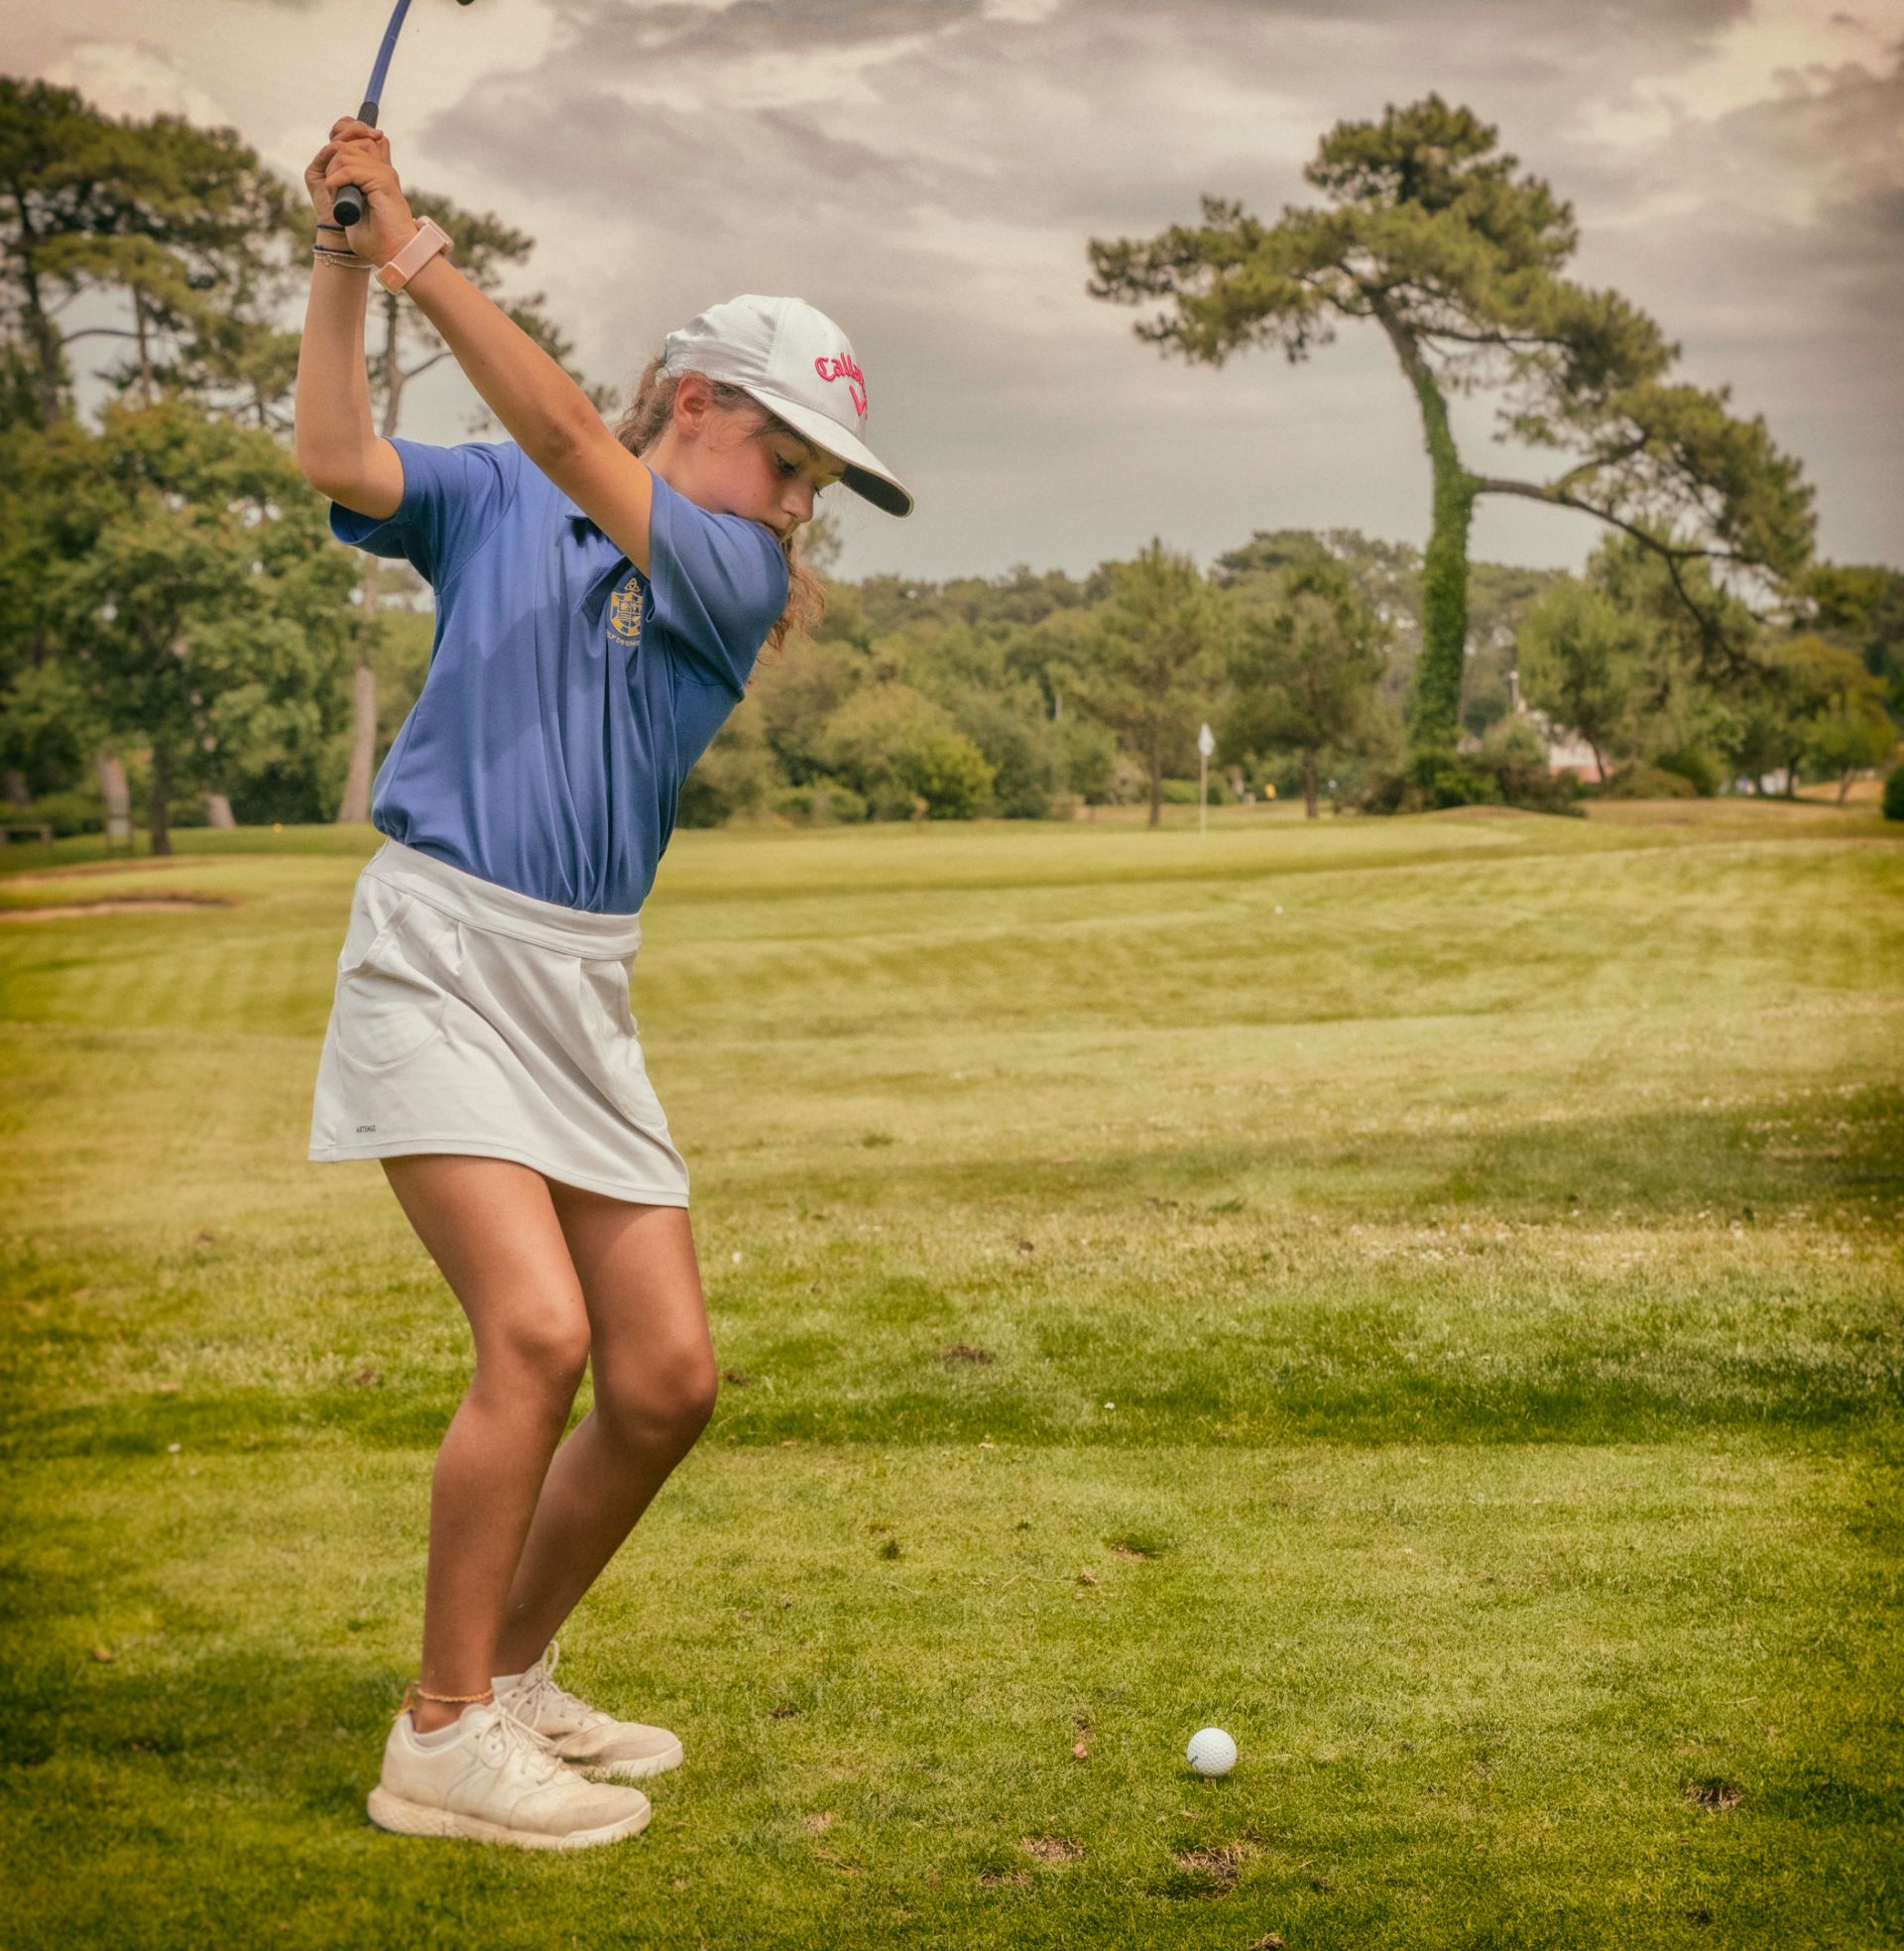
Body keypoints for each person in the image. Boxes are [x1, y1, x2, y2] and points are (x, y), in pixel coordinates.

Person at [295, 115, 911, 1850]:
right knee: (540, 1333)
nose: (800, 509)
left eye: (814, 486)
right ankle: (439, 1739)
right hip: (437, 952)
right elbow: (337, 451)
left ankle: (505, 1670)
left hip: (577, 987)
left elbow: (569, 434)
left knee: (665, 1378)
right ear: (698, 402)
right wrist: (342, 262)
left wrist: (413, 250)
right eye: (790, 463)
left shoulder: (731, 571)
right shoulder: (498, 502)